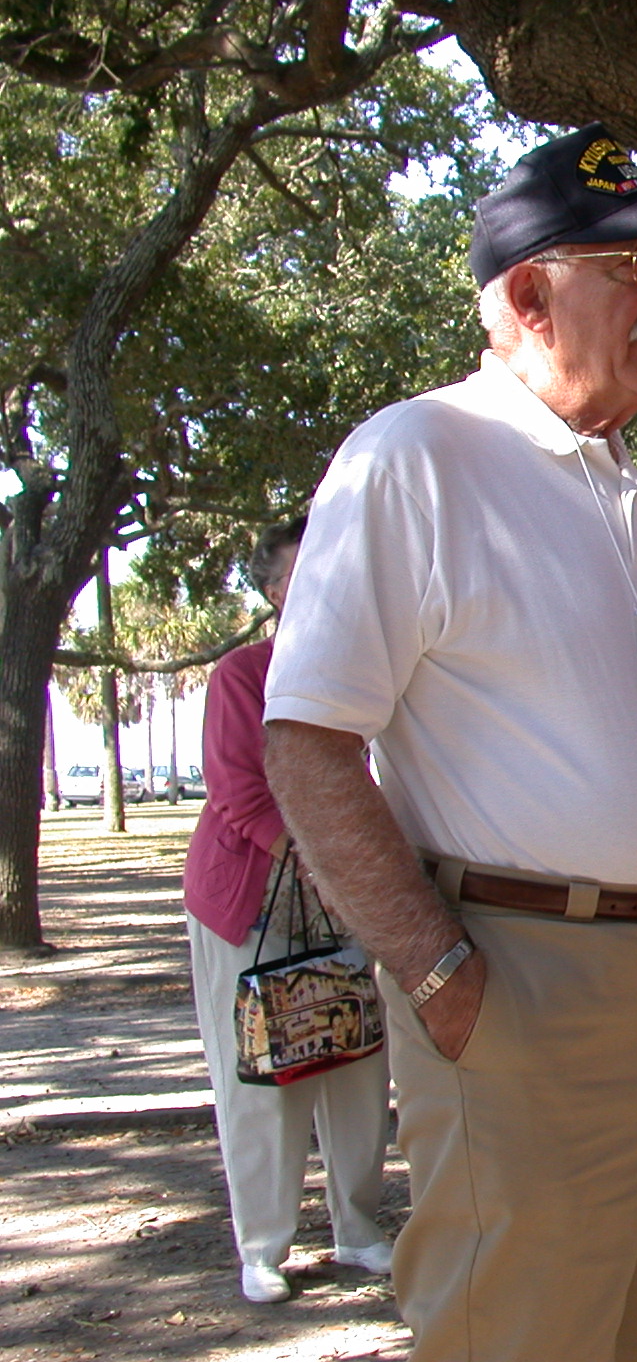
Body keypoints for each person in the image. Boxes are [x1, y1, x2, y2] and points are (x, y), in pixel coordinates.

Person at [261, 124, 637, 1362]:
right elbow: (307, 744)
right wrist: (441, 979)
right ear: (528, 295)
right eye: (631, 265)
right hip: (522, 983)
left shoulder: (625, 492)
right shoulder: (415, 456)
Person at [182, 516, 391, 1305]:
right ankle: (263, 1246)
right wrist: (333, 865)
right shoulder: (243, 675)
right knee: (260, 1078)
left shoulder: (365, 675)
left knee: (355, 1061)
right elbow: (240, 795)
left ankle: (358, 1229)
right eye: (303, 574)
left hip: (343, 898)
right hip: (250, 904)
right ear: (275, 594)